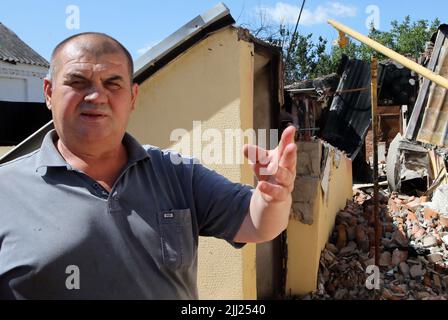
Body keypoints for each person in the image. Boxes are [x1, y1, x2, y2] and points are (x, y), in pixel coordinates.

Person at [0, 32, 297, 299]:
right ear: (49, 92)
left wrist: (273, 197)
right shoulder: (6, 190)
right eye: (78, 82)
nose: (96, 96)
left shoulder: (177, 173)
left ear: (132, 97)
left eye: (112, 83)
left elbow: (256, 224)